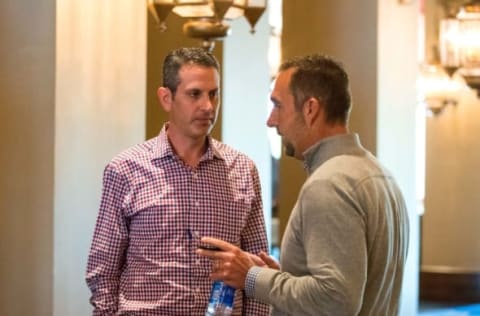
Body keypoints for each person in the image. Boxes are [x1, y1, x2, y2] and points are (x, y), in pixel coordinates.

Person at [197, 54, 410, 315]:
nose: (271, 120)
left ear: (310, 109)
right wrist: (283, 275)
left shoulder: (330, 183)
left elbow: (336, 300)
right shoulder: (380, 174)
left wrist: (252, 277)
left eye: (278, 106)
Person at [85, 47, 269, 315]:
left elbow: (258, 272)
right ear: (166, 98)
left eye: (213, 94)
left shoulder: (242, 170)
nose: (207, 106)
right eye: (195, 94)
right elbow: (103, 270)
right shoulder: (125, 169)